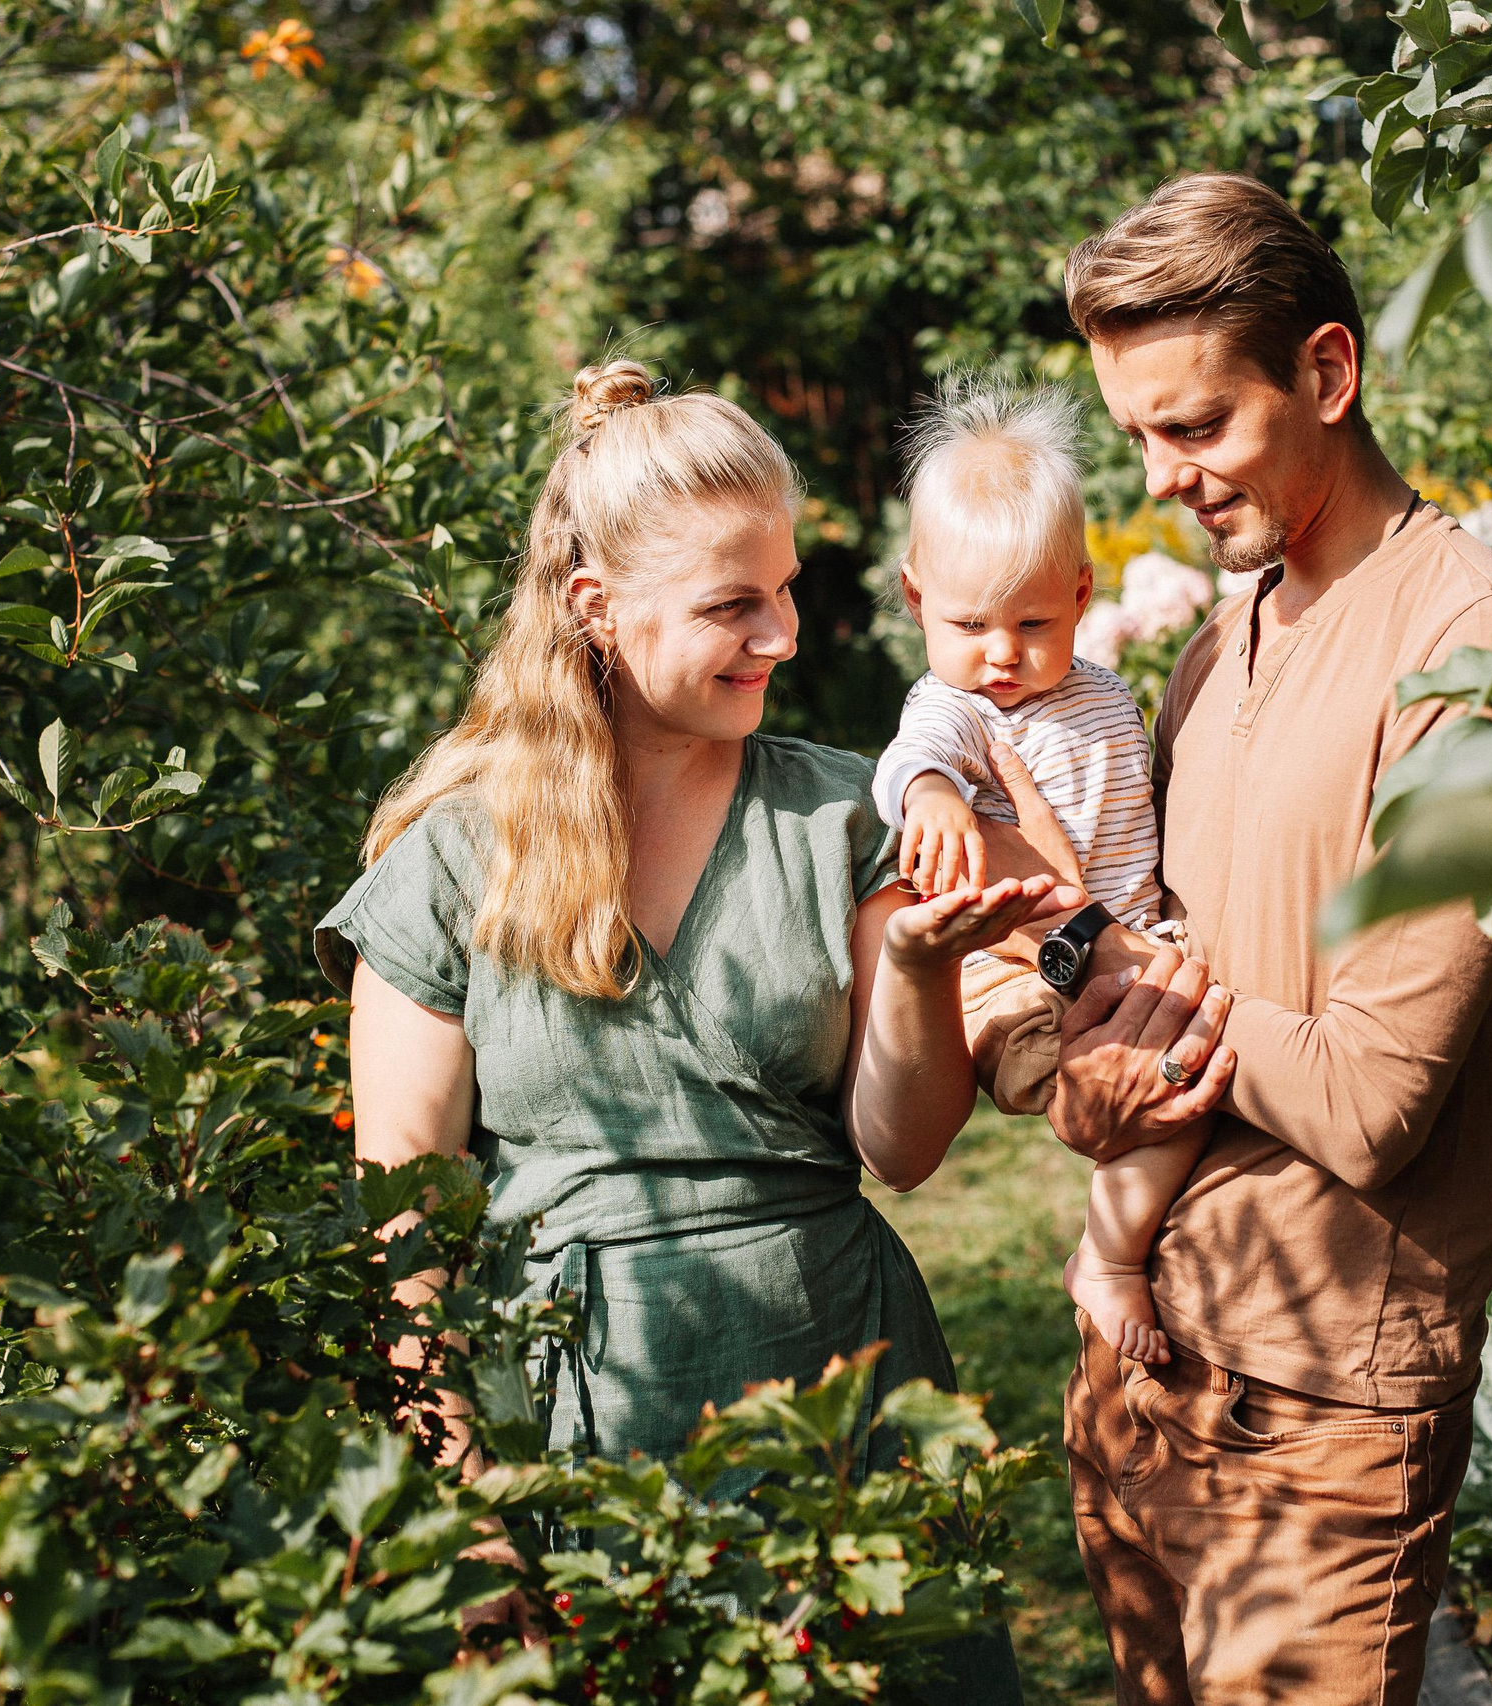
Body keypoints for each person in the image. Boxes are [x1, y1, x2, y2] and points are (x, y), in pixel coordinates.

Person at [315, 359, 1054, 1703]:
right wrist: (466, 1497)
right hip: (577, 1408)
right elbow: (402, 1223)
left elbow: (904, 1146)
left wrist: (917, 978)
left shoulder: (846, 818)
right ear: (596, 607)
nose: (781, 634)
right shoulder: (452, 858)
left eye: (782, 590)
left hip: (838, 1373)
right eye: (732, 604)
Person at [985, 175, 1492, 1704]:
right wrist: (1092, 1068)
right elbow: (1140, 977)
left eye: (1195, 427)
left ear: (1326, 372)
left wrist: (1146, 1002)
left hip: (1320, 1414)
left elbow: (1370, 1099)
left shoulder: (1472, 657)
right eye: (1136, 436)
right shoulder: (1213, 645)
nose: (1161, 478)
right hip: (1139, 1360)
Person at [868, 376, 1202, 1368]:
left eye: (1031, 625)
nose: (1001, 655)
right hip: (1008, 973)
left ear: (1082, 598)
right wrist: (931, 796)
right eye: (969, 626)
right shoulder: (956, 708)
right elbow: (908, 759)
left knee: (1186, 1083)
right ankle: (1109, 1254)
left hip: (1127, 942)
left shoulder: (1105, 691)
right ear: (917, 600)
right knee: (1131, 1096)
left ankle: (1113, 1246)